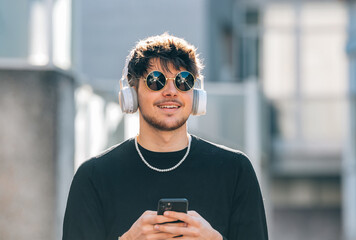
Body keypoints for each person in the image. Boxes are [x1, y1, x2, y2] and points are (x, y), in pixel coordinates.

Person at [62, 33, 268, 240]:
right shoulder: (93, 177)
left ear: (195, 95)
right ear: (131, 94)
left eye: (183, 81)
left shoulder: (235, 170)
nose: (171, 91)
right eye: (156, 81)